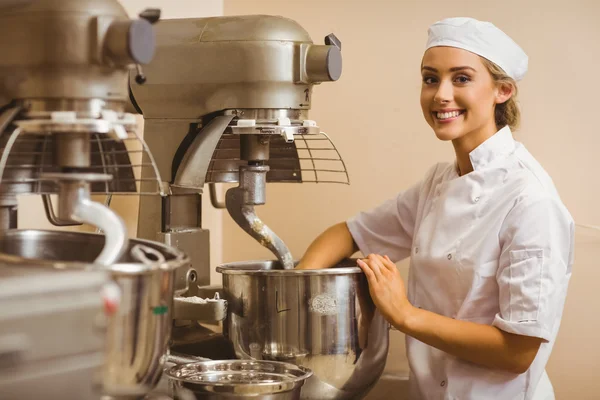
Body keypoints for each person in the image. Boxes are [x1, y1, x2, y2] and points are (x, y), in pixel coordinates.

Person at [296, 17, 574, 400]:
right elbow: (347, 234)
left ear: (502, 91)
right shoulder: (437, 183)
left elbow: (518, 351)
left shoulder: (530, 199)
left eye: (461, 79)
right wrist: (293, 292)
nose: (441, 94)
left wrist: (404, 314)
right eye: (431, 79)